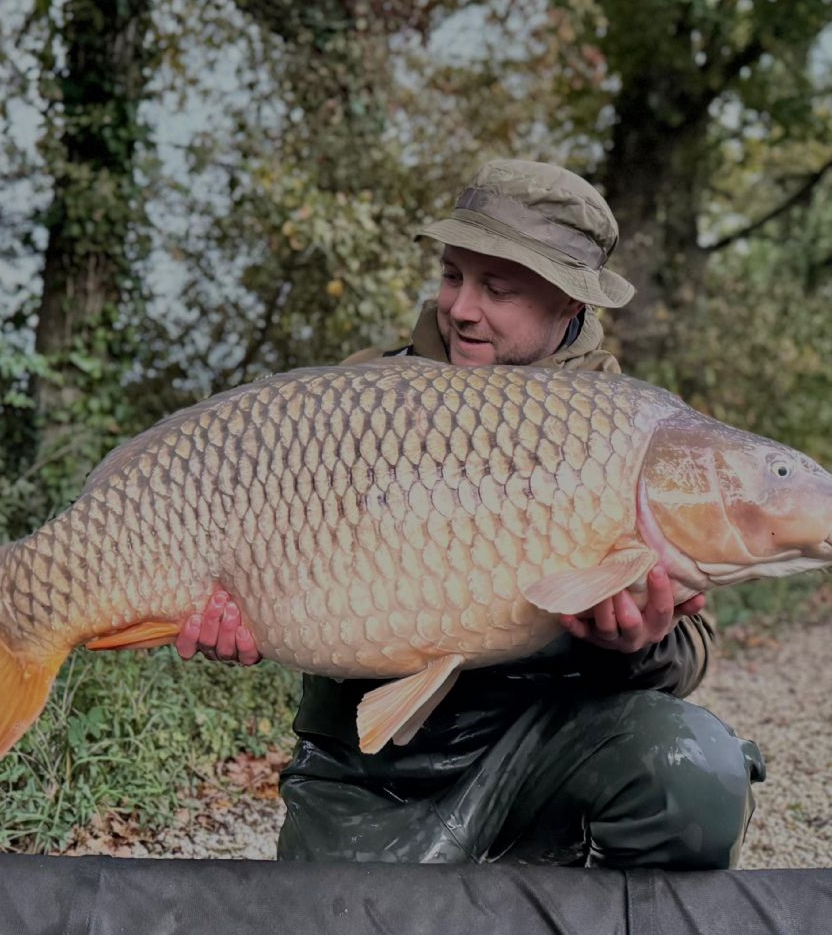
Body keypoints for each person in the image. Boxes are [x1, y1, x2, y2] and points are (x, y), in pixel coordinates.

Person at [177, 159, 766, 868]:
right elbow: (267, 560)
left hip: (555, 744)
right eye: (453, 275)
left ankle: (563, 887)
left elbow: (693, 645)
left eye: (498, 288)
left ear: (569, 305)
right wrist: (236, 611)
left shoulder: (630, 433)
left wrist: (635, 643)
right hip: (378, 767)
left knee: (695, 777)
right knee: (337, 913)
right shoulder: (359, 400)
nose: (460, 306)